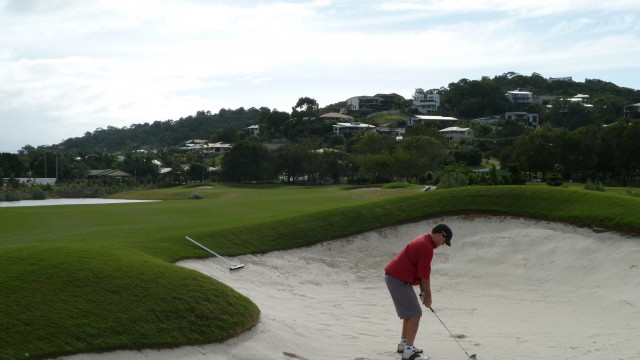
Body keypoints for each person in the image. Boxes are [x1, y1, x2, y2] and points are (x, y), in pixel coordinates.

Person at [384, 224, 452, 360]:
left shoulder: (424, 241)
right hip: (397, 279)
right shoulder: (426, 247)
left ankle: (403, 345)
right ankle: (408, 352)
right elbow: (425, 276)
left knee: (410, 314)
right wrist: (428, 297)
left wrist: (423, 292)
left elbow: (421, 273)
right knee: (415, 313)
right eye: (444, 241)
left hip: (396, 278)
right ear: (440, 235)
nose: (443, 244)